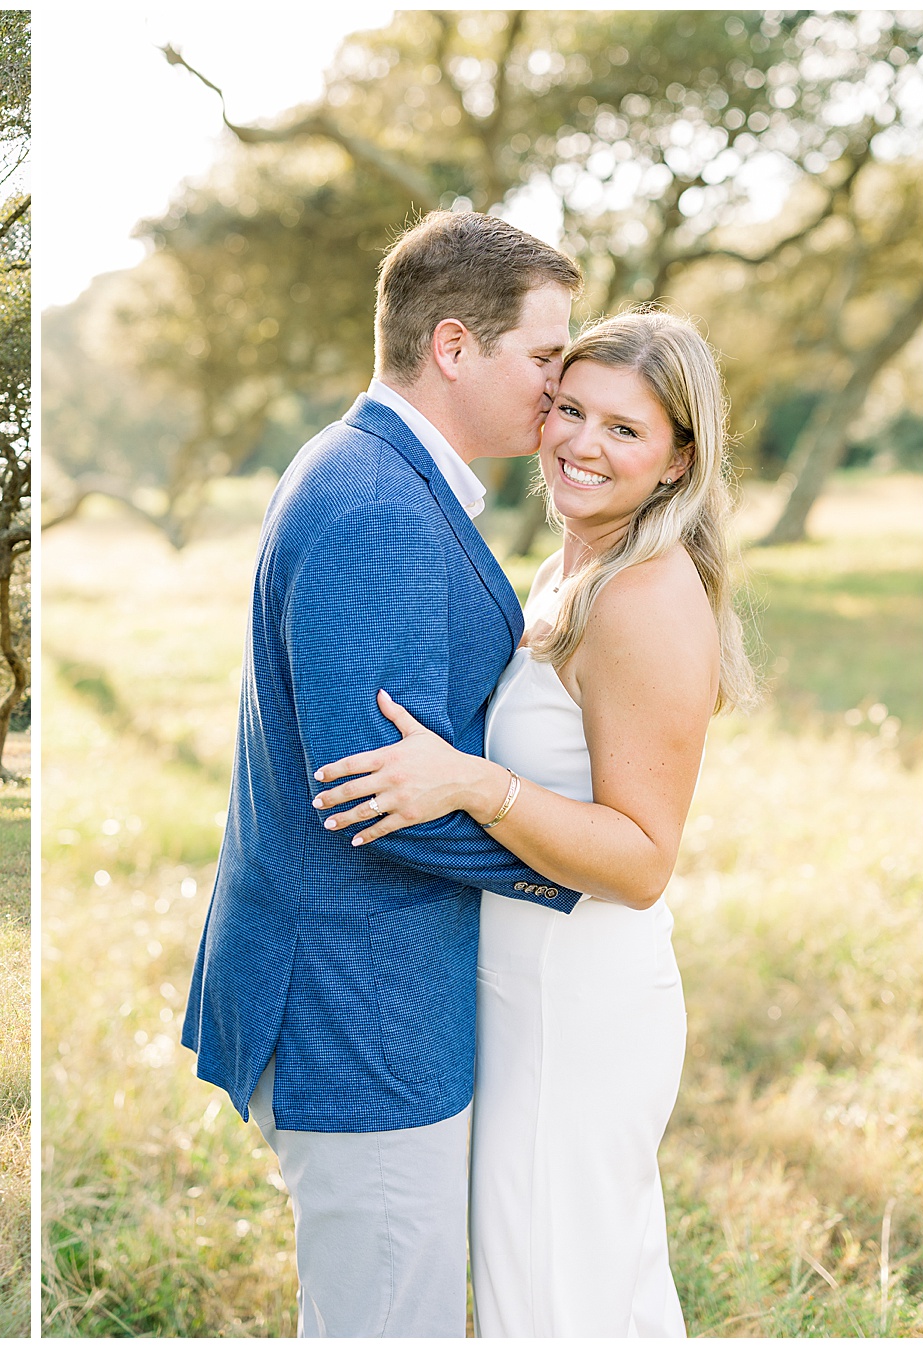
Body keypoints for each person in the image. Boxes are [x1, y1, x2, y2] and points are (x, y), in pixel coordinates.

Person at [180, 210, 589, 1337]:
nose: (560, 391)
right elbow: (376, 793)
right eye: (546, 358)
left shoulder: (378, 472)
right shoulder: (373, 505)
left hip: (376, 988)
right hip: (361, 1007)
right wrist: (584, 868)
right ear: (454, 346)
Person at [310, 309, 753, 1336]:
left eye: (624, 430)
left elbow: (643, 861)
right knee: (571, 1288)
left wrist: (475, 785)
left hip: (576, 1006)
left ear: (679, 459)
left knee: (558, 1299)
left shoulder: (644, 595)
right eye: (569, 408)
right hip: (523, 988)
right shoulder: (573, 568)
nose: (581, 443)